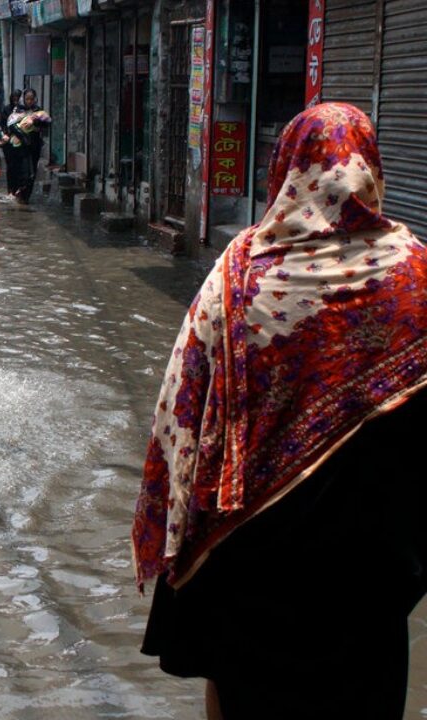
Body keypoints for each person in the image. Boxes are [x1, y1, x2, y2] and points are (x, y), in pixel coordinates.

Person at [132, 103, 427, 720]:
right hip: (372, 560)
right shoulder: (417, 275)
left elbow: (182, 412)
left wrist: (171, 522)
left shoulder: (241, 272)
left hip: (254, 548)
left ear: (287, 170)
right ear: (371, 170)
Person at [5, 89, 49, 202]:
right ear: (23, 99)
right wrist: (23, 136)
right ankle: (16, 192)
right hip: (19, 146)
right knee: (18, 169)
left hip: (33, 146)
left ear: (35, 99)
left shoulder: (38, 111)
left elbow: (46, 123)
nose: (29, 101)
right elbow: (11, 125)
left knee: (31, 172)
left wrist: (34, 122)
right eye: (27, 99)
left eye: (31, 99)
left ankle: (25, 197)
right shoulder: (18, 110)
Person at [0, 90, 26, 197]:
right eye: (14, 97)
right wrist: (4, 135)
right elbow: (2, 124)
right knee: (10, 166)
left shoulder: (24, 110)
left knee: (21, 166)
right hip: (9, 142)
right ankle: (11, 190)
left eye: (18, 97)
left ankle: (20, 189)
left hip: (21, 142)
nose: (16, 99)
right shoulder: (6, 109)